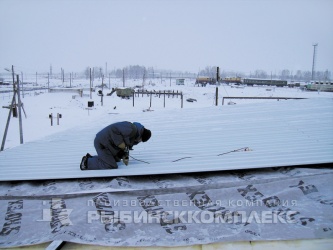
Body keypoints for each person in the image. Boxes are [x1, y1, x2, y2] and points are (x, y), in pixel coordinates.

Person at [80, 121, 151, 170]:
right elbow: (114, 129)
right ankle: (86, 163)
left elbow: (125, 147)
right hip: (102, 143)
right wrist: (120, 143)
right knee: (111, 165)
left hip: (108, 145)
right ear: (141, 135)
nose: (140, 141)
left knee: (116, 160)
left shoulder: (134, 137)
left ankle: (91, 158)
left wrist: (124, 156)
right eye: (141, 140)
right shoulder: (131, 128)